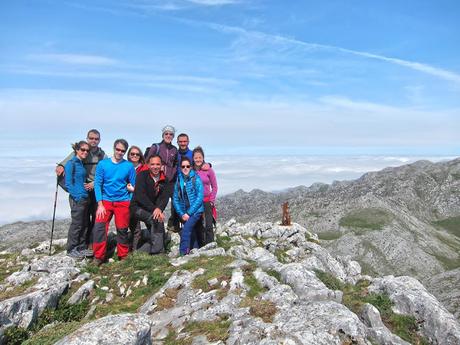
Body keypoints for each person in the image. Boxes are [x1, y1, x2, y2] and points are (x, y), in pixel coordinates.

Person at [56, 129, 106, 254]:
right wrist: (61, 165)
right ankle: (75, 247)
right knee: (80, 221)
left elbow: (106, 169)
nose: (93, 141)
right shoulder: (80, 152)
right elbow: (68, 162)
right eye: (91, 138)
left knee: (92, 219)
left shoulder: (102, 155)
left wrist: (94, 184)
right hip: (81, 191)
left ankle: (87, 244)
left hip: (95, 189)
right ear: (87, 138)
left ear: (99, 140)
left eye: (96, 139)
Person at [92, 139, 136, 265]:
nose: (120, 152)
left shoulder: (128, 166)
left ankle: (123, 255)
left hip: (123, 201)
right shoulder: (103, 164)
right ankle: (98, 256)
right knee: (99, 227)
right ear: (114, 148)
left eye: (123, 151)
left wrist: (130, 201)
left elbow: (134, 185)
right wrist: (100, 204)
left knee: (122, 229)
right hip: (105, 201)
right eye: (118, 149)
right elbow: (97, 184)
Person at [130, 155, 171, 254]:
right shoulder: (142, 176)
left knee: (158, 220)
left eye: (158, 164)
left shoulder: (165, 179)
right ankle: (158, 253)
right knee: (156, 219)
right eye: (152, 164)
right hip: (137, 208)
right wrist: (155, 209)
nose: (155, 167)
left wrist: (159, 209)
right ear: (148, 165)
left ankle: (143, 251)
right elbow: (140, 196)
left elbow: (164, 198)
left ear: (161, 165)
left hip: (152, 209)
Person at [145, 125, 179, 231]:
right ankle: (153, 226)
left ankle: (173, 224)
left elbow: (176, 164)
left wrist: (172, 172)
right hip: (158, 179)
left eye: (171, 134)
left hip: (170, 180)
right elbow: (147, 162)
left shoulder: (174, 149)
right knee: (157, 203)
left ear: (173, 136)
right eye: (166, 133)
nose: (168, 135)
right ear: (163, 135)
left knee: (175, 201)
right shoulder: (156, 147)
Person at [173, 157, 204, 255]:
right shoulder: (179, 179)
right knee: (192, 232)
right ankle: (195, 252)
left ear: (191, 167)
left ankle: (183, 254)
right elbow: (175, 199)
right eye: (183, 166)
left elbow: (200, 197)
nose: (185, 168)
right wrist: (181, 213)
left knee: (186, 230)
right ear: (180, 168)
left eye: (187, 166)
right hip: (184, 212)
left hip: (196, 211)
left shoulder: (196, 178)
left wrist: (188, 213)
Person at [64, 141, 90, 258]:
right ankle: (71, 250)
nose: (85, 152)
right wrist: (77, 196)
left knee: (84, 224)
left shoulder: (80, 163)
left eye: (87, 150)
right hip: (78, 198)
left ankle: (81, 248)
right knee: (77, 224)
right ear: (77, 150)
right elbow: (68, 183)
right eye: (82, 150)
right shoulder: (71, 163)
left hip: (84, 197)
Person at [193, 146, 218, 244]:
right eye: (196, 158)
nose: (198, 159)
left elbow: (215, 186)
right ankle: (200, 244)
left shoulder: (209, 170)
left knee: (208, 224)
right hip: (195, 201)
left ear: (203, 158)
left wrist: (212, 200)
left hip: (207, 200)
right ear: (193, 159)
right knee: (198, 224)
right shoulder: (191, 171)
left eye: (200, 157)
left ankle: (210, 244)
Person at [126, 145, 149, 250]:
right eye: (132, 154)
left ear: (140, 156)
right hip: (128, 201)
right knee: (135, 228)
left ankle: (156, 246)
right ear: (129, 155)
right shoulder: (124, 166)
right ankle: (134, 251)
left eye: (137, 154)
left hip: (143, 201)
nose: (135, 156)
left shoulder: (145, 168)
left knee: (150, 223)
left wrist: (134, 190)